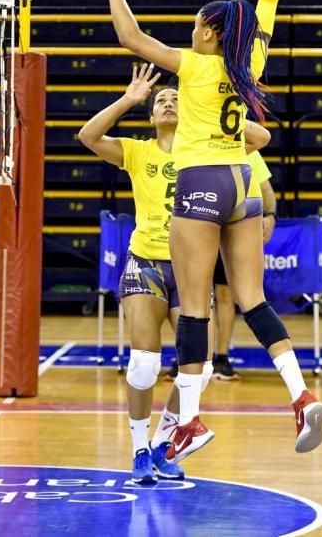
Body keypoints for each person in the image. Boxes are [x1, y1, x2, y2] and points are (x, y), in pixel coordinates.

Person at [104, 0, 322, 463]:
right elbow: (267, 4)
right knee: (252, 300)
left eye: (195, 25)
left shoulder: (196, 64)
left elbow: (131, 37)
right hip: (244, 181)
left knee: (196, 305)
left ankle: (188, 419)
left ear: (207, 30)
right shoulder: (248, 60)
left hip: (201, 181)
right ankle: (301, 394)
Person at [79, 65, 210, 484]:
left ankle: (161, 445)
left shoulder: (205, 152)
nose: (168, 103)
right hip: (147, 261)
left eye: (175, 100)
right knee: (143, 365)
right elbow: (87, 136)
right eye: (160, 102)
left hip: (191, 266)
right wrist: (129, 99)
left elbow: (257, 148)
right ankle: (138, 451)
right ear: (152, 117)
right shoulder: (138, 151)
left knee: (200, 369)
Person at [213, 150, 277, 380]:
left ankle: (221, 357)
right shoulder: (193, 144)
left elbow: (267, 190)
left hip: (230, 230)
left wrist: (270, 215)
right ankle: (191, 357)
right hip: (198, 225)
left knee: (225, 295)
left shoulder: (245, 148)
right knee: (191, 296)